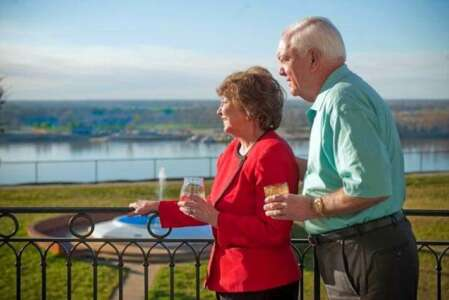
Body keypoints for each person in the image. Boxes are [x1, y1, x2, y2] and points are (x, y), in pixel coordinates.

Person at [263, 17, 419, 300]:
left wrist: (311, 207)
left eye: (285, 59)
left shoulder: (342, 100)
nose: (280, 70)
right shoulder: (343, 95)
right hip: (362, 248)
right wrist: (288, 163)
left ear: (312, 58)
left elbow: (369, 186)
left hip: (363, 250)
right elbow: (344, 174)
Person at [130, 66, 300, 299]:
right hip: (231, 280)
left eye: (224, 102)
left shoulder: (273, 154)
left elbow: (274, 231)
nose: (219, 111)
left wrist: (217, 219)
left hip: (263, 285)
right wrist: (160, 207)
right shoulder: (231, 151)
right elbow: (213, 206)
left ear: (249, 108)